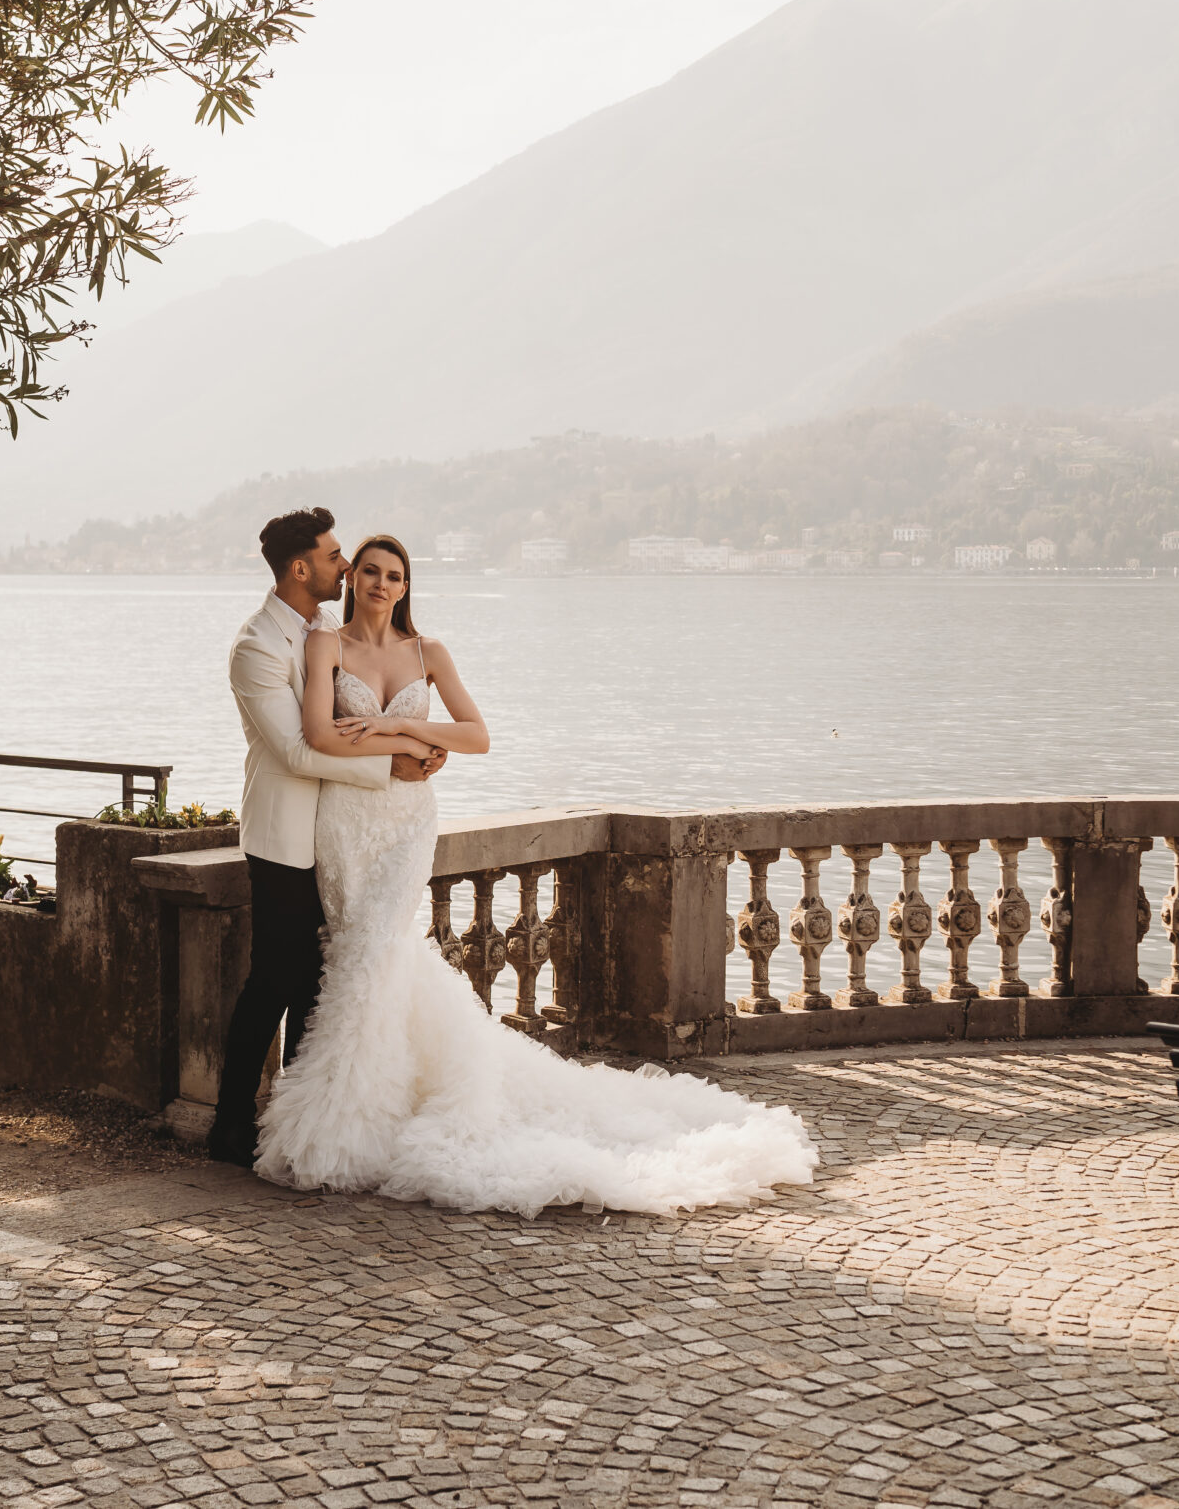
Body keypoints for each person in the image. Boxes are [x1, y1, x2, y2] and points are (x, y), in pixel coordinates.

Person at [253, 532, 819, 1217]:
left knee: (380, 946)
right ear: (354, 580)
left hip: (407, 821)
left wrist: (402, 738)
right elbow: (316, 732)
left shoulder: (428, 652)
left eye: (393, 574)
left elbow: (477, 733)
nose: (378, 582)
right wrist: (406, 740)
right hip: (347, 820)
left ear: (407, 585)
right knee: (367, 953)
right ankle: (371, 1110)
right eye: (368, 571)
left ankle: (347, 1127)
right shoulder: (325, 645)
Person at [210, 508, 443, 1166]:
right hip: (285, 833)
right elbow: (293, 748)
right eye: (337, 556)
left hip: (344, 831)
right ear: (300, 567)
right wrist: (391, 764)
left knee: (322, 979)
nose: (347, 568)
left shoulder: (323, 631)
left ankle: (302, 1118)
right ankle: (230, 1123)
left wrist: (418, 743)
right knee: (275, 978)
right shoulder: (256, 646)